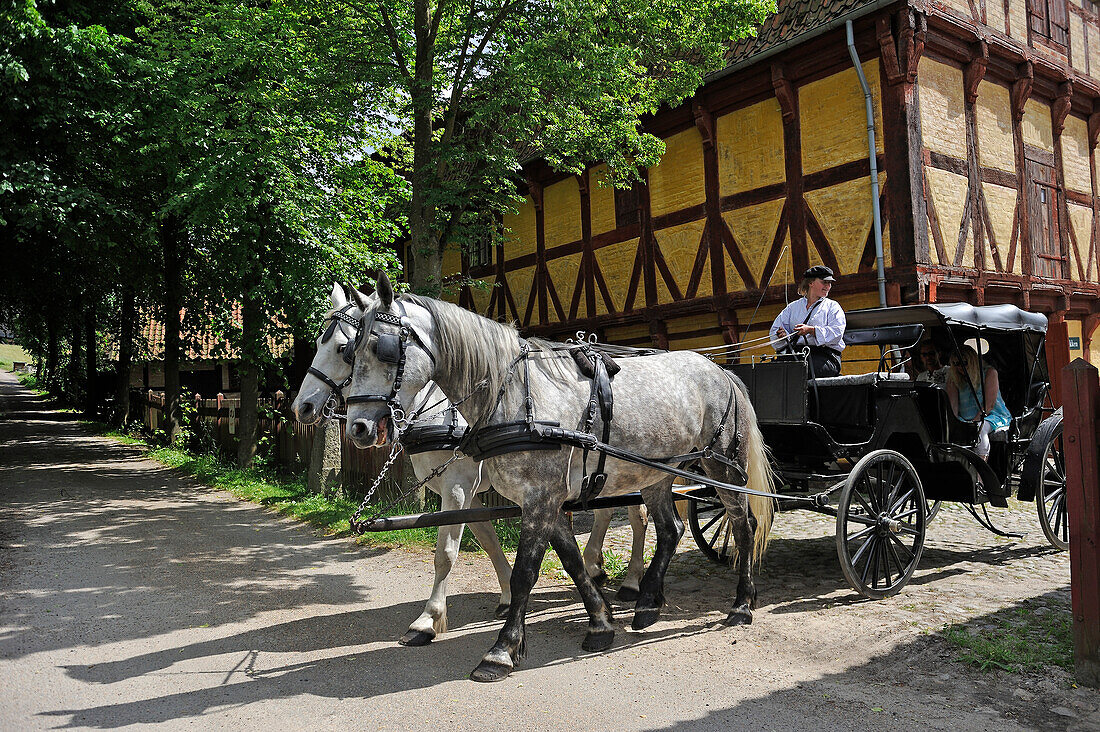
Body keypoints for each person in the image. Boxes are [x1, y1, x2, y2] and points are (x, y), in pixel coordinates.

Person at [770, 265, 846, 377]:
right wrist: (782, 335)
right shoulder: (792, 308)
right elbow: (775, 330)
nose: (828, 286)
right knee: (773, 371)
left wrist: (811, 330)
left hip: (825, 357)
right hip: (797, 355)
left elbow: (837, 333)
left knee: (799, 370)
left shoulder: (832, 306)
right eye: (824, 282)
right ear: (811, 283)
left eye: (829, 283)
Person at [945, 345, 1012, 460]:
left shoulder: (989, 372)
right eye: (955, 364)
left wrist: (974, 422)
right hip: (964, 417)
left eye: (964, 363)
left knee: (979, 429)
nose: (960, 367)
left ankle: (981, 470)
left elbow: (989, 405)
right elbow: (953, 406)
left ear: (972, 361)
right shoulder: (954, 378)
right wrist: (953, 424)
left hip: (991, 415)